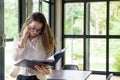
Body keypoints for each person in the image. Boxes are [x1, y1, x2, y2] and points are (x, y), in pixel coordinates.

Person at [12, 12, 56, 80]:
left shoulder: (45, 41)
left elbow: (48, 67)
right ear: (28, 23)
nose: (35, 32)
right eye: (33, 28)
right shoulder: (18, 38)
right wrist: (23, 38)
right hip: (21, 77)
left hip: (37, 78)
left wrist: (45, 71)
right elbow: (15, 58)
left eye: (38, 30)